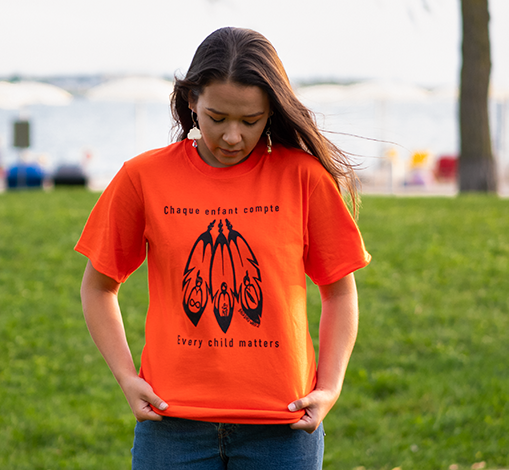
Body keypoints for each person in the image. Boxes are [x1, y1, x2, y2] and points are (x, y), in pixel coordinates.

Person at [76, 27, 370, 469]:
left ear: (271, 110)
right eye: (218, 118)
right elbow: (99, 286)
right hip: (171, 424)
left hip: (283, 428)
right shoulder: (143, 178)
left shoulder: (304, 178)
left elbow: (340, 291)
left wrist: (330, 386)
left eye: (250, 121)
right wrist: (126, 376)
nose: (233, 136)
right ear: (192, 100)